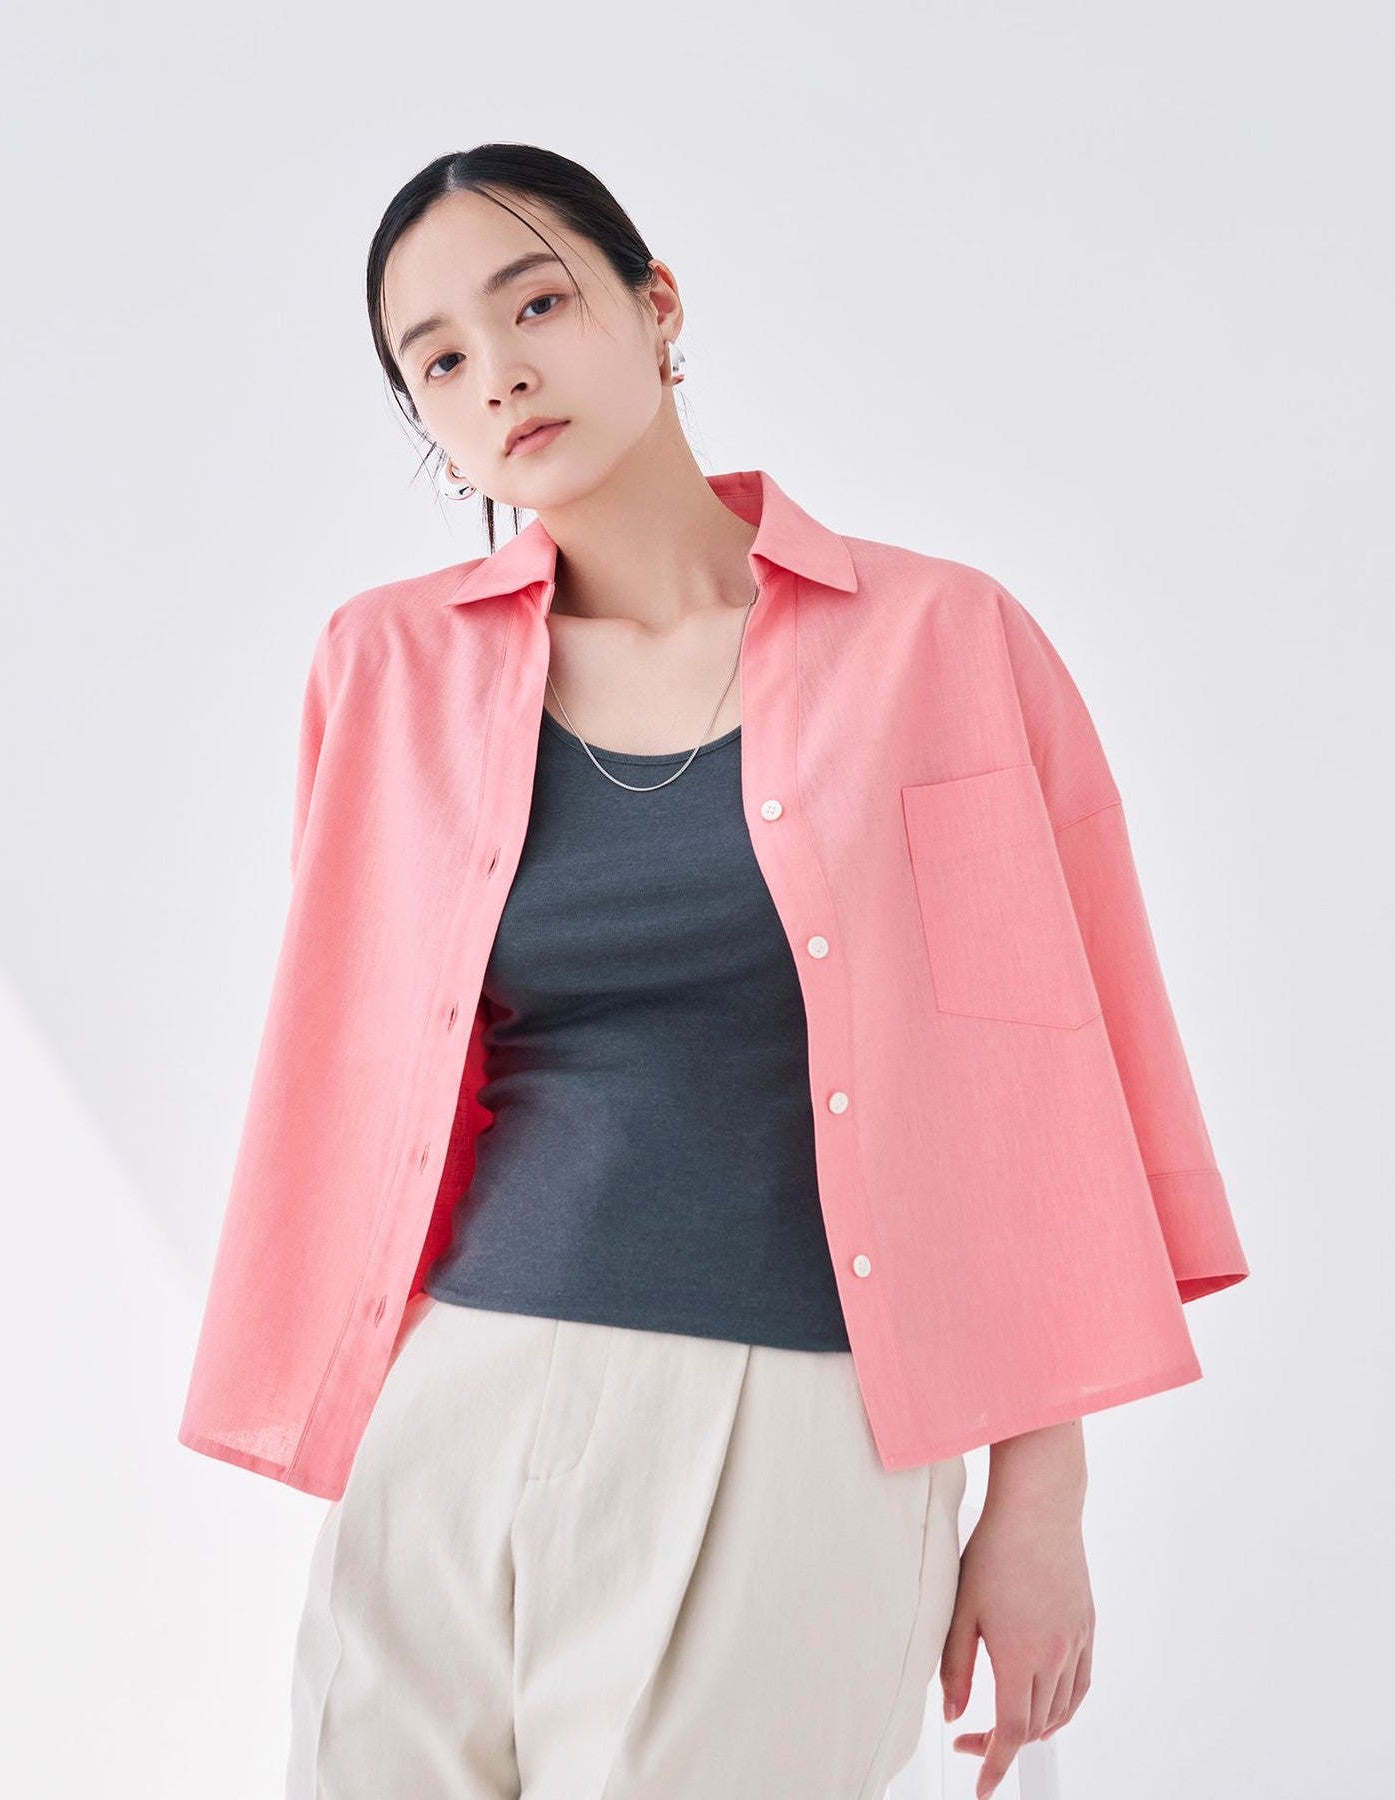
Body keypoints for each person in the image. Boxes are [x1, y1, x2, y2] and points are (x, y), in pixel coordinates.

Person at [178, 143, 1249, 1800]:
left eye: (537, 305)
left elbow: (1043, 1091)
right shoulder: (383, 667)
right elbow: (359, 1069)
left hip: (800, 1426)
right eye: (437, 359)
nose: (497, 372)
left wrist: (1040, 1503)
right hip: (454, 1410)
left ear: (656, 305)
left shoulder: (942, 644)